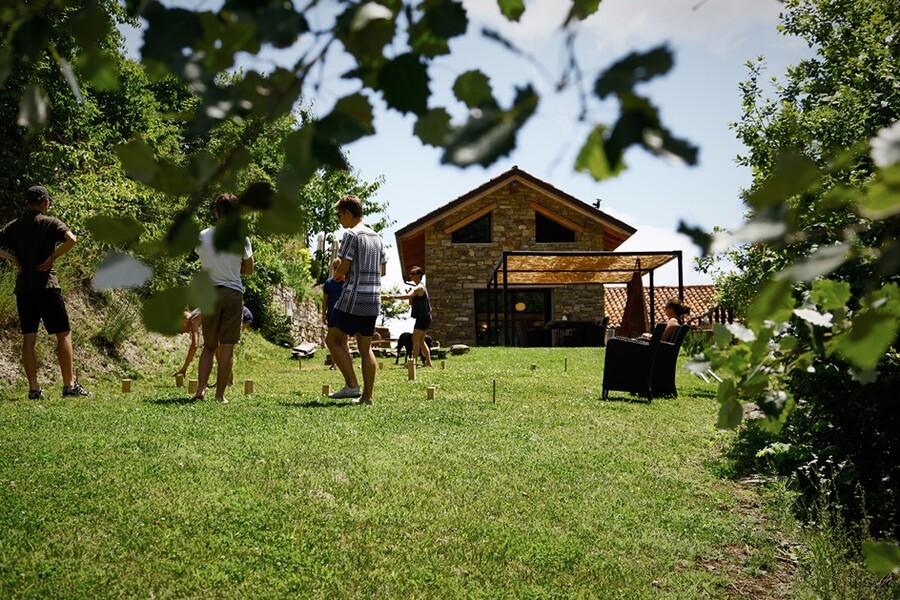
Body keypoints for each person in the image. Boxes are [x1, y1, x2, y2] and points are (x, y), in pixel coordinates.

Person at [0, 185, 91, 399]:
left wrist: (13, 258)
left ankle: (34, 389)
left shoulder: (15, 226)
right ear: (46, 202)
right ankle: (68, 386)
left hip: (24, 289)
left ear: (27, 203)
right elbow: (72, 239)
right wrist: (53, 257)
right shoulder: (51, 223)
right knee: (63, 334)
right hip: (48, 287)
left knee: (29, 338)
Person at [325, 194, 386, 405]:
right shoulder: (377, 237)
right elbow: (383, 270)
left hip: (353, 297)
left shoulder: (351, 234)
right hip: (373, 299)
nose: (339, 219)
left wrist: (339, 275)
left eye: (339, 215)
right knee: (365, 347)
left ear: (348, 213)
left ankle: (352, 385)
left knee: (332, 340)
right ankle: (366, 398)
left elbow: (344, 266)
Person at [193, 193, 253, 403]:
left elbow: (202, 257)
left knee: (208, 346)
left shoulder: (203, 235)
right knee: (227, 346)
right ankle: (220, 395)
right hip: (233, 292)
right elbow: (250, 269)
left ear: (216, 212)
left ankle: (200, 390)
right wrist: (236, 269)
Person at [175, 305, 252, 384]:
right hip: (237, 313)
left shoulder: (193, 320)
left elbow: (194, 345)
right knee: (218, 348)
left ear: (183, 322)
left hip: (241, 315)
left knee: (222, 348)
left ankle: (228, 380)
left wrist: (184, 368)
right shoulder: (195, 314)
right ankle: (228, 379)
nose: (182, 333)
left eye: (180, 330)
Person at [382, 265, 432, 367]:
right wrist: (409, 297)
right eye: (410, 274)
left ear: (419, 275)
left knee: (415, 340)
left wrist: (392, 297)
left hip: (423, 317)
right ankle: (428, 362)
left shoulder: (419, 287)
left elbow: (409, 295)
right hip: (424, 317)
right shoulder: (418, 288)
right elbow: (411, 302)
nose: (411, 276)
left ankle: (413, 362)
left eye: (413, 274)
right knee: (421, 340)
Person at [321, 258, 346, 370]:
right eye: (335, 267)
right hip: (331, 313)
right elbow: (325, 299)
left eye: (338, 267)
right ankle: (334, 363)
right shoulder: (329, 283)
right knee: (332, 340)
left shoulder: (346, 282)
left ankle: (345, 363)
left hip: (344, 313)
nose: (337, 269)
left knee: (344, 340)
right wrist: (323, 314)